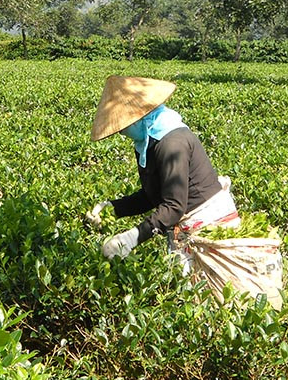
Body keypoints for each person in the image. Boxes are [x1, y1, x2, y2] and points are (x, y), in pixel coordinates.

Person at [86, 75, 239, 261]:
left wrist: (133, 236)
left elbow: (174, 206)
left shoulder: (172, 144)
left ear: (138, 118)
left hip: (207, 221)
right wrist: (114, 208)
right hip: (185, 220)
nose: (121, 131)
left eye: (123, 126)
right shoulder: (147, 140)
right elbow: (154, 194)